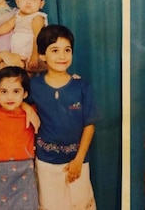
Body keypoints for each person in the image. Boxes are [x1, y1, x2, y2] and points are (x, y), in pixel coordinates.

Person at [31, 24, 97, 209]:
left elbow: (89, 124)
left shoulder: (82, 86)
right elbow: (13, 100)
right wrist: (27, 109)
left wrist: (78, 159)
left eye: (67, 50)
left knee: (80, 204)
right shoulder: (34, 86)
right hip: (46, 162)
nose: (62, 56)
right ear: (43, 55)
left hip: (77, 161)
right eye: (55, 50)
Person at [0, 66, 39, 210]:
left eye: (16, 91)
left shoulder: (32, 113)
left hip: (25, 169)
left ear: (25, 93)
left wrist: (27, 108)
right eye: (4, 91)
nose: (10, 97)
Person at [0, 0, 48, 71]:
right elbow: (8, 25)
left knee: (30, 75)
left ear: (41, 4)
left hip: (32, 53)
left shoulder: (37, 17)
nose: (28, 2)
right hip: (19, 54)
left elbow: (38, 37)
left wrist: (34, 55)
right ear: (17, 2)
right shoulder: (17, 15)